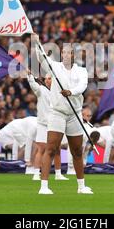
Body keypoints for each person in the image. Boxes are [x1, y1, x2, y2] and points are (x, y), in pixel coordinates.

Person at [34, 34, 92, 195]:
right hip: (57, 113)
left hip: (75, 114)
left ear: (74, 55)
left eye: (69, 53)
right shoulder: (55, 67)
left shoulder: (82, 70)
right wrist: (36, 41)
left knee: (77, 151)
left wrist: (71, 92)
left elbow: (82, 86)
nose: (66, 55)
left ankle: (81, 187)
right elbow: (41, 56)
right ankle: (44, 187)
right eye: (64, 52)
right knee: (51, 149)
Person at [27, 72, 68, 181]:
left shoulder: (59, 93)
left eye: (50, 78)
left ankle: (58, 174)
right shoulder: (41, 90)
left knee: (57, 149)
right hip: (43, 124)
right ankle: (36, 173)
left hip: (55, 124)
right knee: (41, 148)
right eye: (46, 79)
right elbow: (33, 86)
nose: (48, 80)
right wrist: (30, 76)